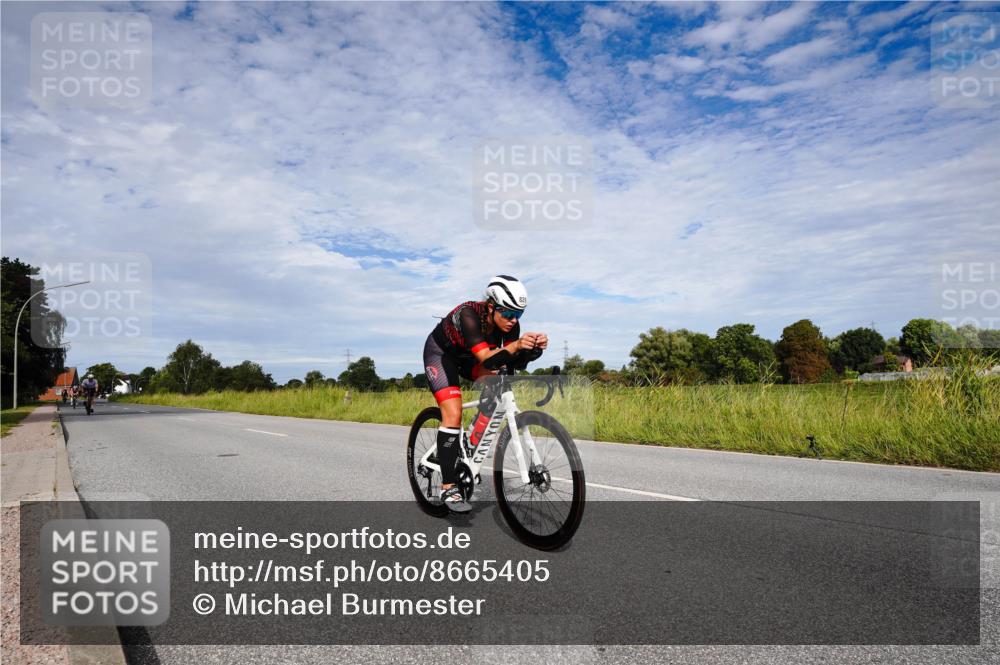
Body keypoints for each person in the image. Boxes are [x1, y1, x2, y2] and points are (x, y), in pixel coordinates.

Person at [422, 275, 547, 513]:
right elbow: (487, 358)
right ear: (491, 306)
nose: (513, 320)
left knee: (500, 384)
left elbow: (513, 362)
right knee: (453, 413)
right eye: (508, 314)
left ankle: (469, 443)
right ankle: (448, 486)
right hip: (442, 356)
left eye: (518, 314)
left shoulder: (511, 325)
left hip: (471, 358)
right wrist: (516, 346)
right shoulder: (469, 315)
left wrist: (533, 350)